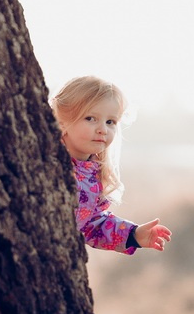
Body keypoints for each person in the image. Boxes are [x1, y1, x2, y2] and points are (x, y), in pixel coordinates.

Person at [51, 75, 172, 255]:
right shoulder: (48, 161)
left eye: (110, 122)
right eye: (90, 118)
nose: (103, 129)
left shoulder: (94, 175)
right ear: (62, 119)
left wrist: (134, 235)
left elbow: (94, 225)